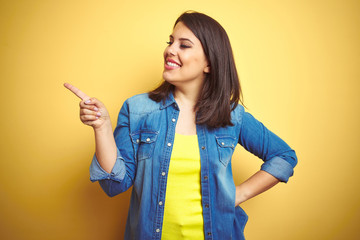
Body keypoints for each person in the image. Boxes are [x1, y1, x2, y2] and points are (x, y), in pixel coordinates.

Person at [64, 11, 297, 240]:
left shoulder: (232, 114)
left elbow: (283, 157)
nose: (170, 50)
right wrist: (102, 127)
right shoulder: (137, 109)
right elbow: (114, 185)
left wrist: (238, 194)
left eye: (184, 45)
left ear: (209, 63)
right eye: (170, 42)